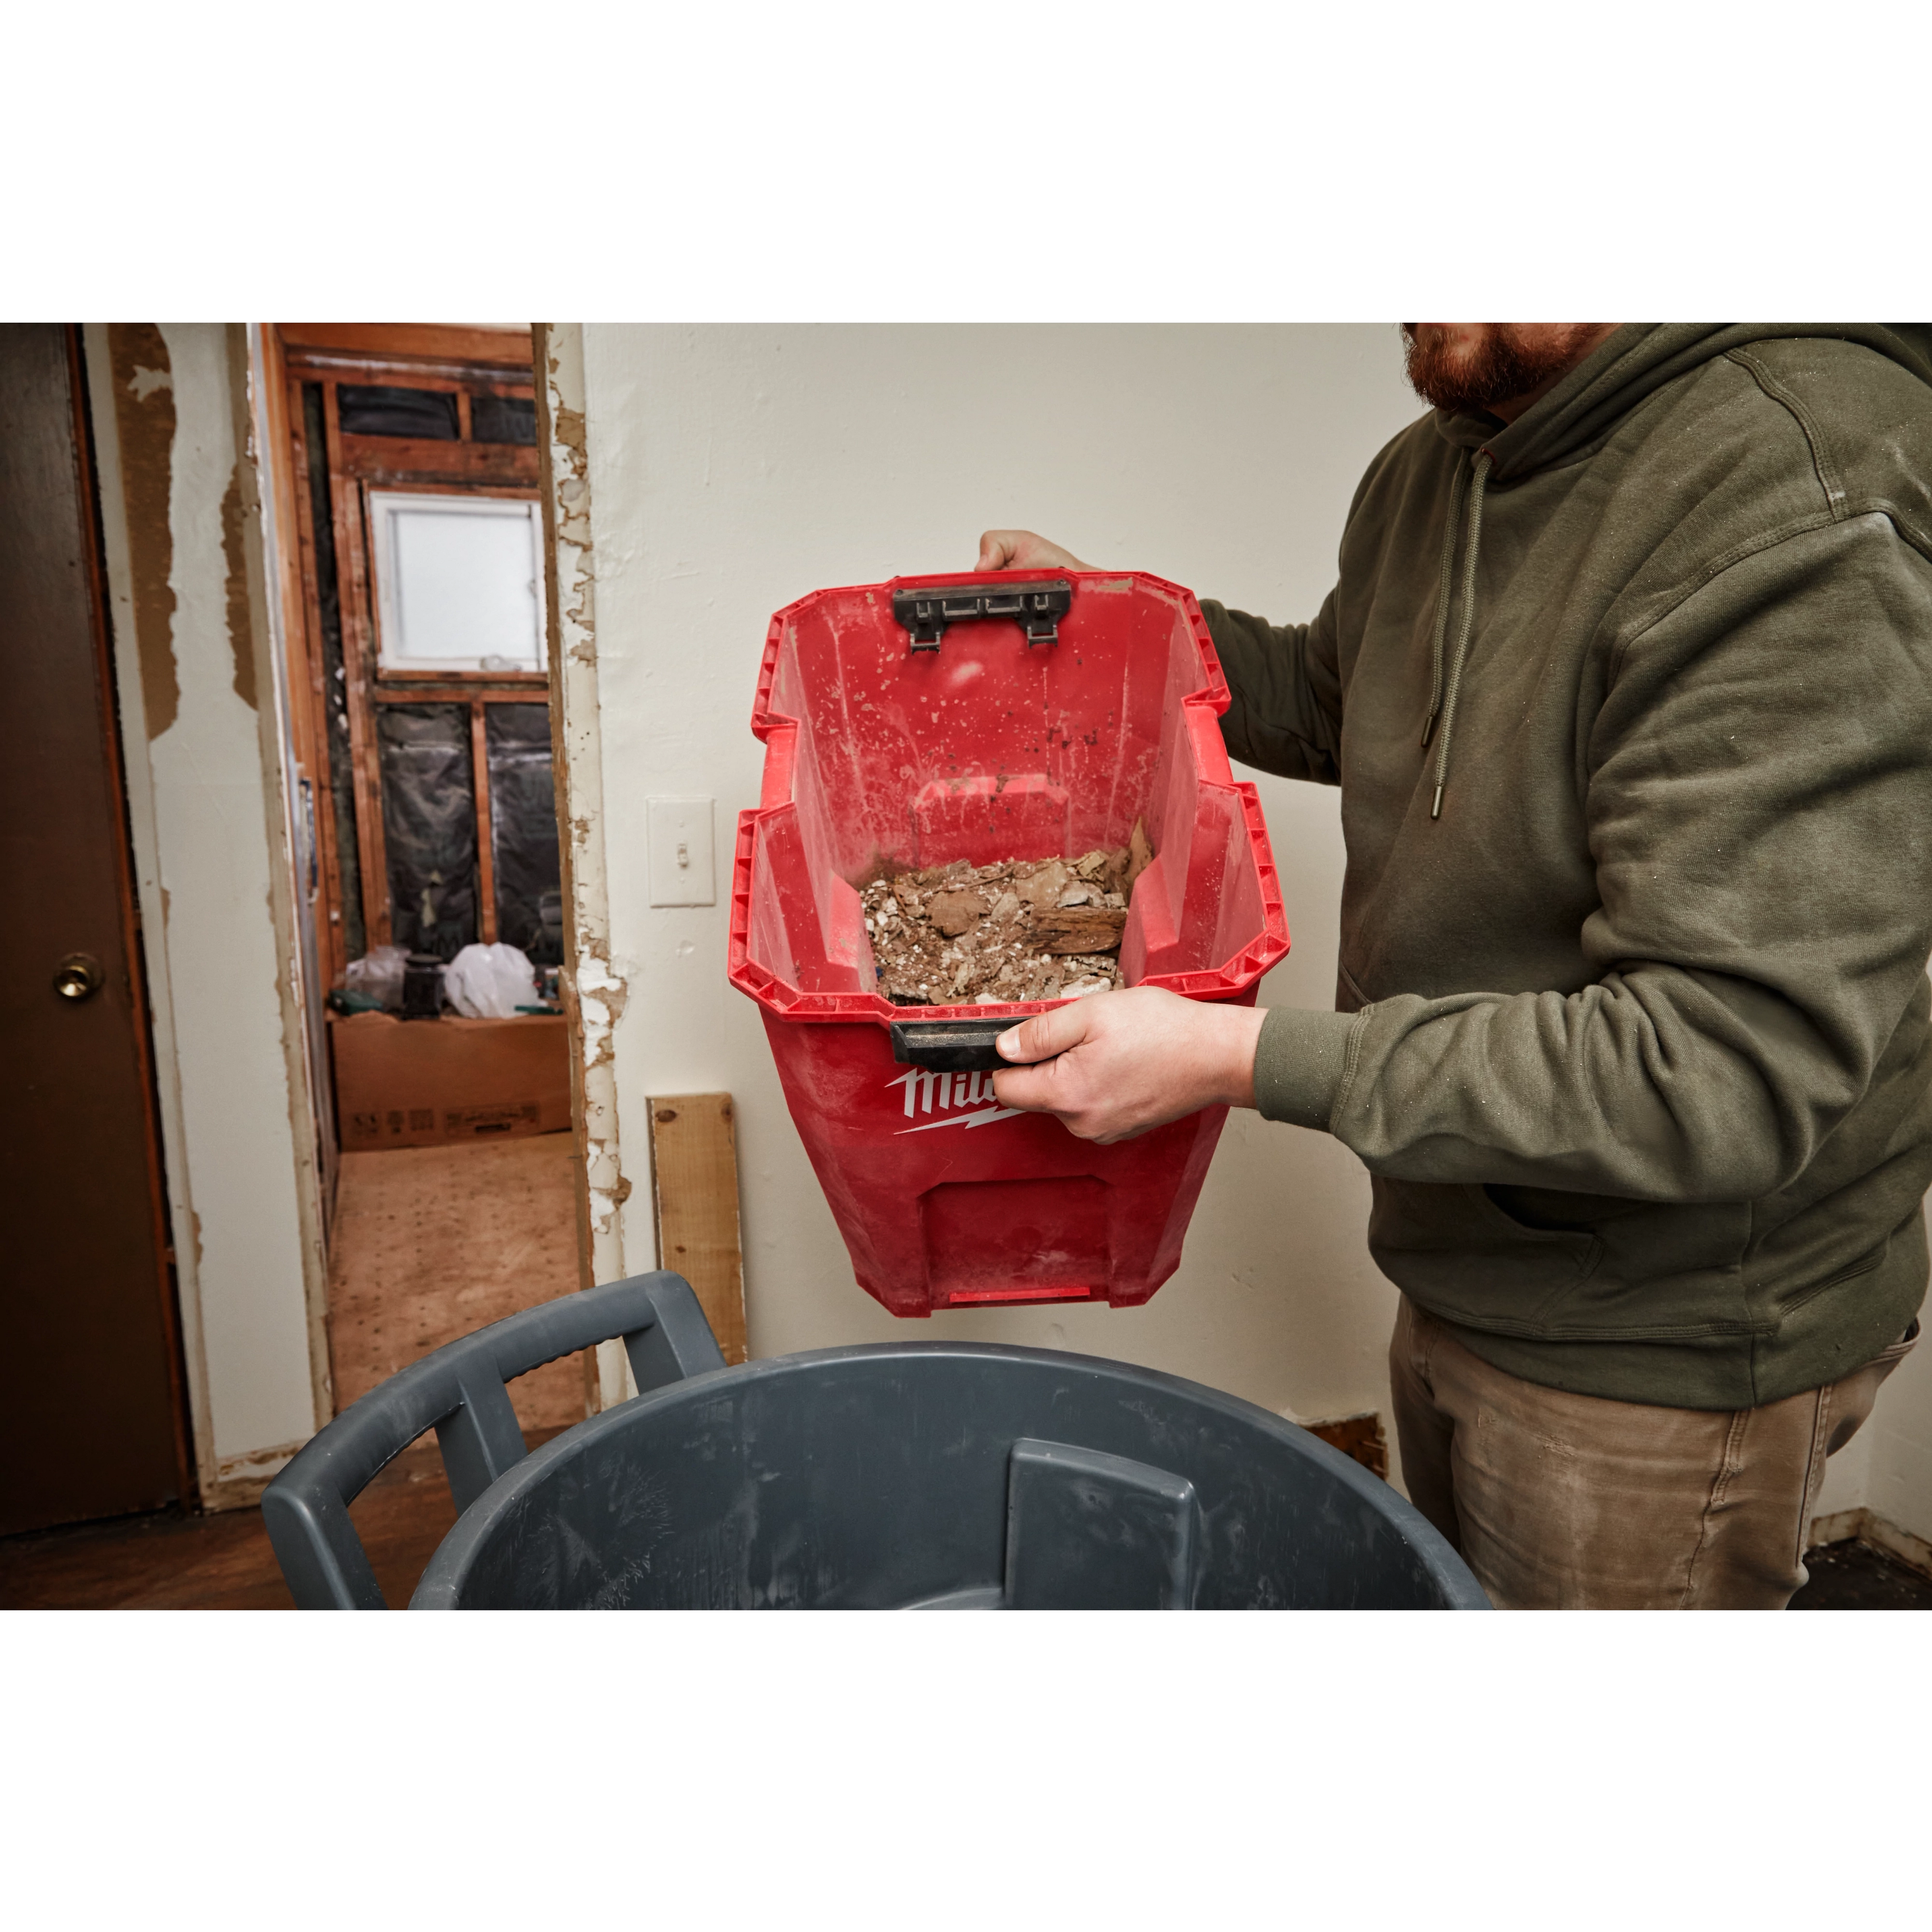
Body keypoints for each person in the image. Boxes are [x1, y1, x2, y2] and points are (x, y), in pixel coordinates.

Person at [980, 321, 1932, 1610]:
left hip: (1665, 1335)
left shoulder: (1796, 498)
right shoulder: (1444, 461)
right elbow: (1342, 695)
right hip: (1468, 1229)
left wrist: (1239, 1056)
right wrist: (1123, 627)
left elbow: (1718, 1073)